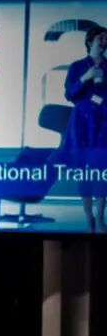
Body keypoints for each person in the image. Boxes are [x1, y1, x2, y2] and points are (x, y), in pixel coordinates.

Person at [62, 25, 107, 232]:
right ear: (90, 42)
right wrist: (85, 77)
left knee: (102, 170)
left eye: (106, 39)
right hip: (81, 125)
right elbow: (69, 94)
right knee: (83, 172)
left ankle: (101, 216)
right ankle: (89, 216)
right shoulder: (77, 66)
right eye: (101, 39)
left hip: (103, 124)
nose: (104, 43)